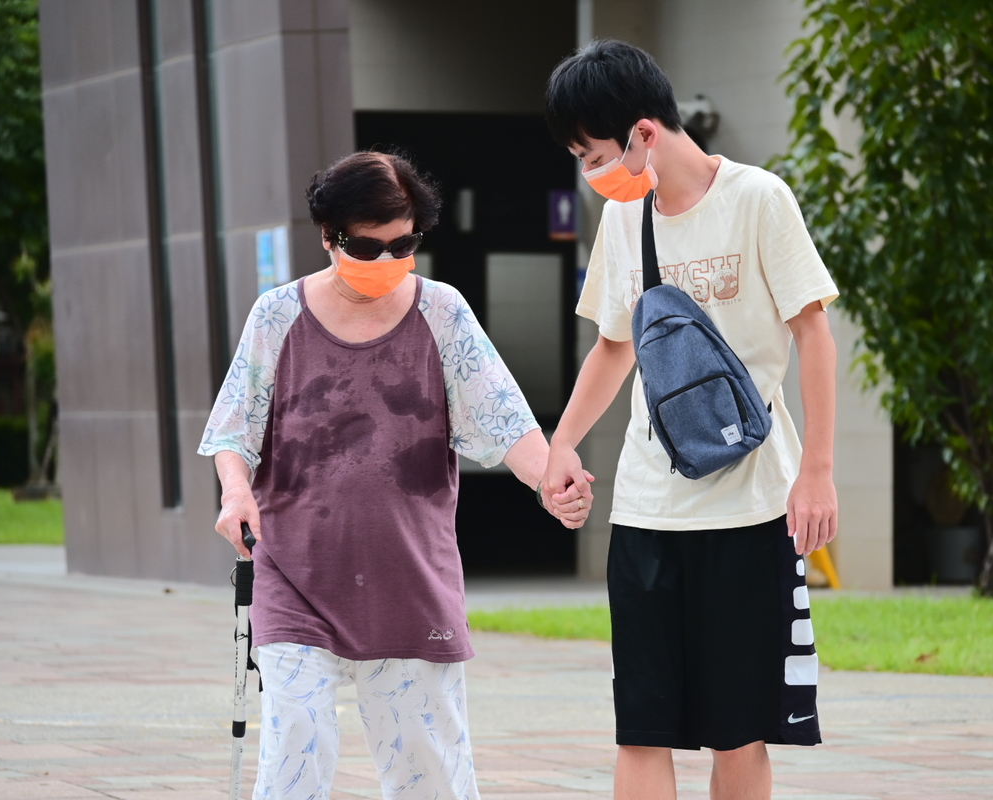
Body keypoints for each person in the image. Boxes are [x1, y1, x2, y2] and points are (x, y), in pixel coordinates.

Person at [198, 150, 592, 800]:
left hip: (411, 583)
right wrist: (236, 490)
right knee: (296, 743)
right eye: (366, 246)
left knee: (428, 773)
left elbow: (505, 422)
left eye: (402, 244)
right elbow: (233, 430)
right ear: (328, 236)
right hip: (295, 579)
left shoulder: (442, 313)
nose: (386, 261)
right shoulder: (277, 316)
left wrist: (554, 482)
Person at [540, 40, 840, 800]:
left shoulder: (758, 199)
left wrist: (819, 472)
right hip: (647, 512)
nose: (589, 170)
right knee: (643, 725)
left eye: (593, 151)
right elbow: (614, 347)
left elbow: (813, 335)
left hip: (749, 509)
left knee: (737, 731)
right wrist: (562, 443)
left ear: (643, 133)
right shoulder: (623, 217)